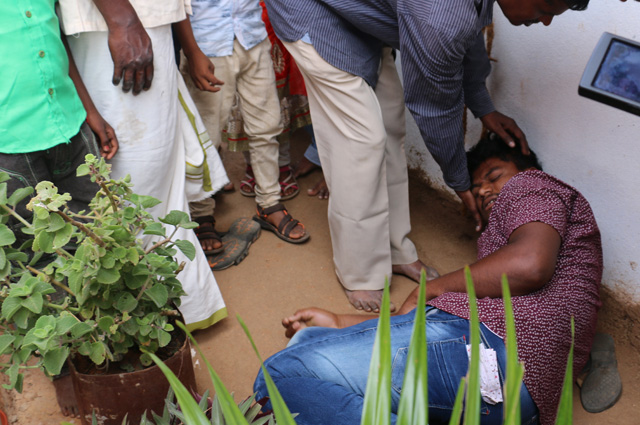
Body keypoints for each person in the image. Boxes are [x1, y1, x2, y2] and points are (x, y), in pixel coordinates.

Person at [261, 0, 590, 311]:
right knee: (360, 144)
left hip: (357, 14)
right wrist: (460, 181)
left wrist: (483, 106)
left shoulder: (455, 14)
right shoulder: (440, 15)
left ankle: (394, 249)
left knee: (390, 124)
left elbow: (466, 36)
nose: (545, 20)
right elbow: (435, 106)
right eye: (546, 8)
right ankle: (360, 271)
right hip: (311, 10)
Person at [254, 134, 602, 425]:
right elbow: (429, 327)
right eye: (477, 188)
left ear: (526, 169)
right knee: (308, 341)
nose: (484, 192)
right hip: (508, 394)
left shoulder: (533, 186)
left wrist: (432, 287)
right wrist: (341, 322)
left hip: (496, 353)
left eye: (494, 175)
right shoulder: (497, 269)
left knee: (277, 380)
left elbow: (531, 265)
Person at [57, 0, 228, 330]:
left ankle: (170, 308)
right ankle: (139, 318)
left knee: (156, 181)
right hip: (116, 24)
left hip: (143, 21)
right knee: (133, 184)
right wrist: (123, 20)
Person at [178, 0, 309, 244]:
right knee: (204, 136)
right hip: (207, 45)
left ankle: (269, 203)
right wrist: (192, 51)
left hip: (253, 38)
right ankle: (201, 214)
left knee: (266, 126)